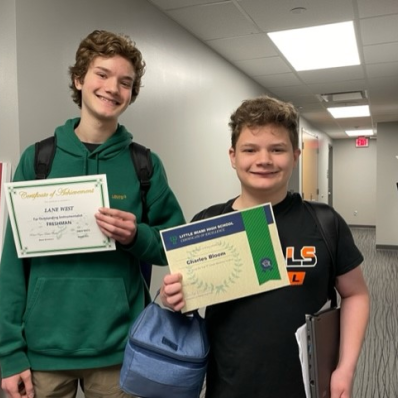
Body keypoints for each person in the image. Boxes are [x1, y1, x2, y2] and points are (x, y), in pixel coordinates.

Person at [0, 30, 185, 398]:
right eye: (102, 74)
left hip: (121, 350)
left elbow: (176, 245)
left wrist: (137, 236)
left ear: (131, 94)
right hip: (43, 354)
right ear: (79, 78)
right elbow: (12, 264)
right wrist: (8, 353)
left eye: (125, 82)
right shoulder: (38, 160)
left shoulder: (144, 165)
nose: (113, 88)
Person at [161, 95, 370, 398]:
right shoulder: (207, 224)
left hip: (308, 387)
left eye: (277, 149)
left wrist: (345, 368)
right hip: (229, 386)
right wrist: (173, 299)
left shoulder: (325, 222)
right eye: (250, 149)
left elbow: (356, 294)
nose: (264, 160)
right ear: (233, 156)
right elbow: (185, 304)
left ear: (295, 155)